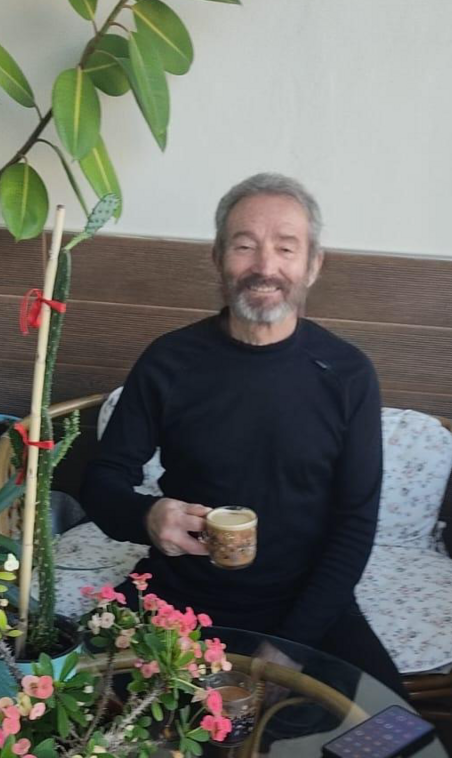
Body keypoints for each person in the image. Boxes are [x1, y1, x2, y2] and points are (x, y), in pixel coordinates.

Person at [79, 172, 404, 698]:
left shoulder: (348, 375)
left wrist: (289, 647)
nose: (265, 267)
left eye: (286, 248)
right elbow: (102, 480)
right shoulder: (169, 360)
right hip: (177, 597)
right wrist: (147, 516)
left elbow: (356, 525)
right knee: (73, 714)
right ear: (217, 258)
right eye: (245, 245)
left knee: (394, 732)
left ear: (313, 264)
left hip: (305, 607)